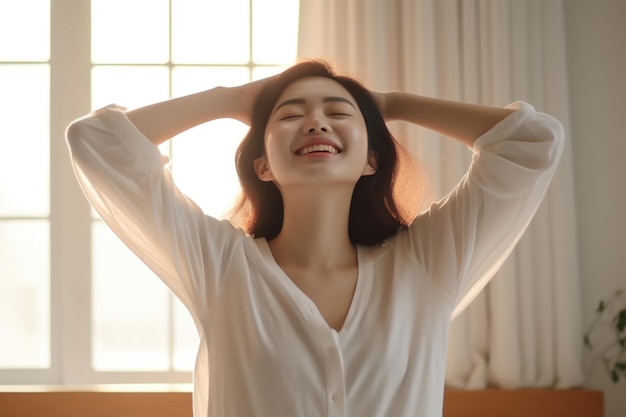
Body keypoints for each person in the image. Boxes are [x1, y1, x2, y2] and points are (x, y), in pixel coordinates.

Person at [66, 59, 564, 417]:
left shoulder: (426, 263)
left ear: (371, 158)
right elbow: (97, 143)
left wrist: (389, 104)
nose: (315, 120)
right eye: (289, 114)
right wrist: (229, 100)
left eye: (338, 111)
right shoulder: (220, 265)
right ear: (263, 165)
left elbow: (532, 141)